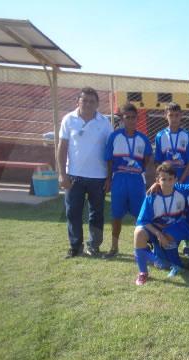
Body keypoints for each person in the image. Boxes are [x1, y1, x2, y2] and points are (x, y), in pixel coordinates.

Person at [56, 86, 114, 258]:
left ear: (97, 104)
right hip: (74, 176)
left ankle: (94, 246)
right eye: (84, 100)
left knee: (96, 214)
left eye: (92, 101)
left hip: (98, 177)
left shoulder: (104, 122)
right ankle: (75, 247)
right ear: (78, 102)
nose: (88, 104)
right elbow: (62, 148)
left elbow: (110, 152)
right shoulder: (68, 120)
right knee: (73, 212)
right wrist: (62, 174)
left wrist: (109, 177)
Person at [104, 103, 153, 257]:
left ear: (137, 119)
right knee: (116, 215)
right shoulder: (114, 136)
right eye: (127, 118)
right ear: (122, 119)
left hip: (136, 180)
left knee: (141, 215)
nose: (131, 120)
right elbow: (109, 161)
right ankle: (114, 247)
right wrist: (108, 180)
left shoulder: (143, 139)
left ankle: (142, 247)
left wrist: (149, 183)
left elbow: (148, 162)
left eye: (133, 118)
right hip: (119, 179)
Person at [133, 163, 187, 285]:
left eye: (170, 179)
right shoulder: (152, 196)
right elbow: (142, 221)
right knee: (139, 233)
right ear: (157, 180)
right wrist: (158, 234)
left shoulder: (183, 193)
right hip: (155, 231)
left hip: (172, 232)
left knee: (163, 265)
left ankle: (143, 254)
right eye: (163, 179)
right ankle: (143, 272)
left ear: (176, 180)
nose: (167, 183)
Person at [154, 102, 189, 183]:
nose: (174, 119)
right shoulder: (160, 136)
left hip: (184, 180)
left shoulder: (187, 135)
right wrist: (163, 178)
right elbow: (157, 162)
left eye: (177, 115)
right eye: (171, 115)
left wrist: (180, 181)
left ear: (181, 115)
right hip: (167, 180)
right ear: (165, 115)